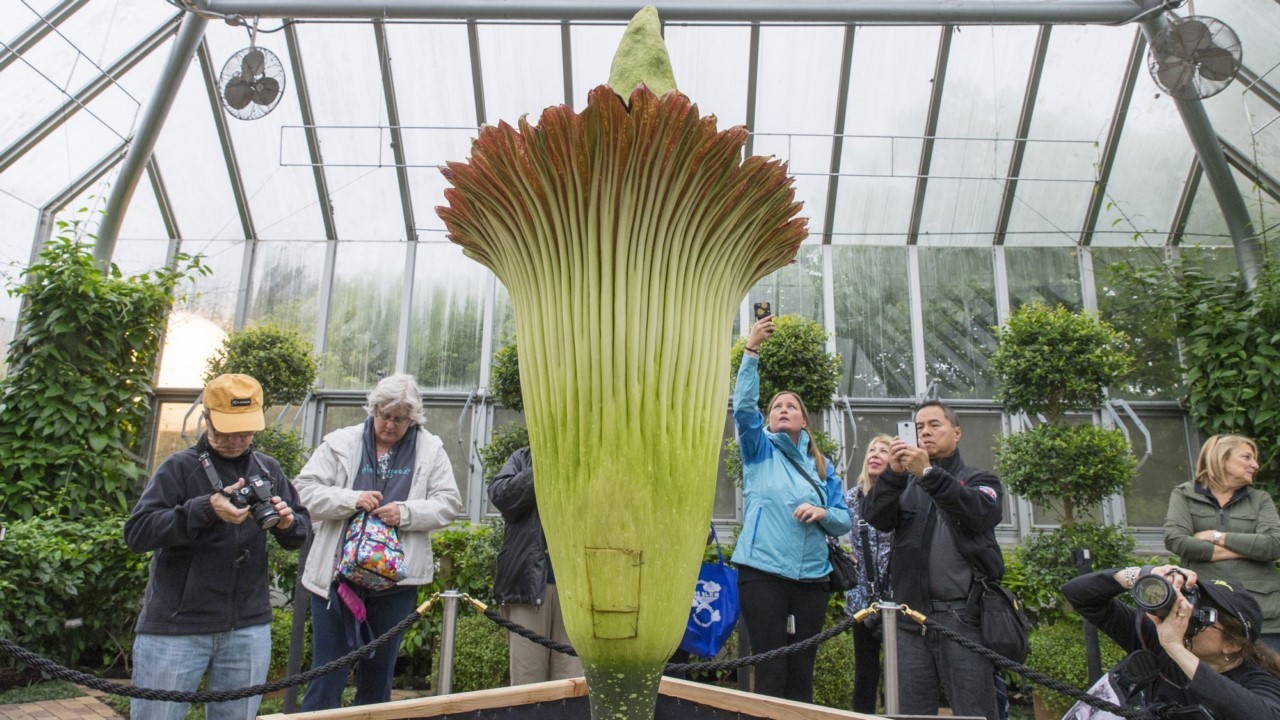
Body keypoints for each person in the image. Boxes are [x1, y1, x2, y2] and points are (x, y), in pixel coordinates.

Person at [124, 373, 311, 720]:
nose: (240, 439)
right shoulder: (180, 468)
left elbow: (301, 533)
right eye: (229, 429)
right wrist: (204, 509)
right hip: (177, 629)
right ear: (207, 417)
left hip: (247, 627)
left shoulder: (267, 468)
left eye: (248, 429)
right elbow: (137, 533)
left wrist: (287, 523)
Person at [295, 373, 462, 710]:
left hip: (394, 585)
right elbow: (303, 491)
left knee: (379, 677)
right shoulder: (341, 442)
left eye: (399, 419)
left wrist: (405, 512)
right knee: (327, 674)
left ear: (412, 418)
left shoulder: (430, 448)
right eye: (384, 415)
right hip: (336, 580)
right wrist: (351, 499)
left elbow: (449, 503)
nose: (389, 425)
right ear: (372, 409)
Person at [729, 314, 851, 702]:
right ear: (768, 419)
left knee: (802, 670)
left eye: (791, 406)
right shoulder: (758, 448)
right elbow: (744, 406)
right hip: (763, 572)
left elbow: (844, 518)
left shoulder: (822, 465)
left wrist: (823, 514)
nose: (783, 409)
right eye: (776, 406)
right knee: (770, 667)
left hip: (813, 578)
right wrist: (752, 350)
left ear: (804, 420)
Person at [863, 401, 1004, 720]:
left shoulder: (981, 480)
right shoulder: (905, 483)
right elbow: (875, 516)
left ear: (956, 433)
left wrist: (927, 472)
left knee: (975, 711)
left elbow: (978, 513)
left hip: (963, 619)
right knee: (909, 713)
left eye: (934, 425)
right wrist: (895, 474)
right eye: (918, 427)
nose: (924, 432)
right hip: (909, 619)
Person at [1062, 564, 1280, 720]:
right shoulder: (1156, 639)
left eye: (1201, 618)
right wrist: (1142, 574)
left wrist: (1175, 647)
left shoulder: (1255, 681)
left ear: (1232, 645)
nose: (1185, 619)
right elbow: (1078, 595)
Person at [1165, 434, 1280, 652]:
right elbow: (1176, 540)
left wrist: (1216, 536)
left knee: (1272, 682)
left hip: (1265, 615)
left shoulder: (1260, 499)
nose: (1255, 465)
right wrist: (1251, 550)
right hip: (1209, 614)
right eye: (1247, 457)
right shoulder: (1184, 494)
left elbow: (1274, 545)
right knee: (1212, 682)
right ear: (1222, 459)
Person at [488, 445, 584, 685]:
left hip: (578, 590)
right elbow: (501, 496)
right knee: (527, 680)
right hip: (527, 587)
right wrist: (545, 462)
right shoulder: (524, 457)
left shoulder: (591, 452)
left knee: (570, 680)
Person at [844, 434, 893, 714]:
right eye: (871, 450)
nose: (874, 454)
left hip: (898, 597)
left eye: (883, 451)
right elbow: (832, 526)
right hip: (862, 600)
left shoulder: (904, 494)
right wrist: (843, 555)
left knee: (900, 671)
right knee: (866, 671)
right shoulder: (852, 497)